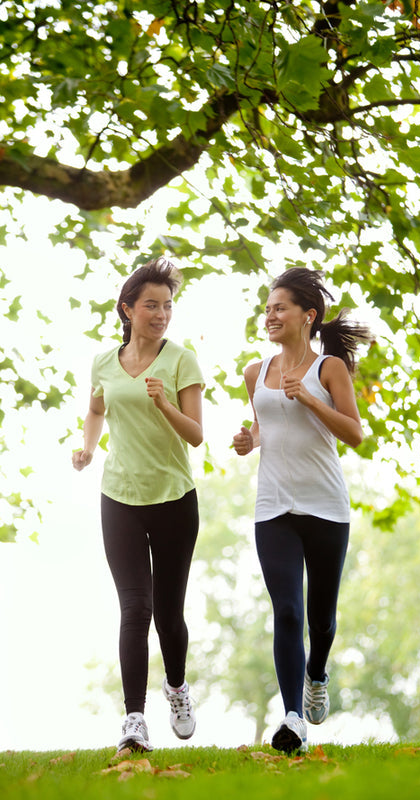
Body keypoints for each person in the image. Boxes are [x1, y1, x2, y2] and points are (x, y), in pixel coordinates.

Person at [233, 267, 371, 754]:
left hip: (325, 506)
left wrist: (310, 398)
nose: (270, 315)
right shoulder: (256, 372)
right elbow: (265, 428)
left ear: (307, 316)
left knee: (322, 619)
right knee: (287, 610)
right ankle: (293, 717)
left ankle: (317, 673)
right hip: (273, 507)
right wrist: (249, 441)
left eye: (280, 308)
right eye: (267, 308)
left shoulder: (328, 367)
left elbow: (353, 434)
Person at [72, 257, 204, 752]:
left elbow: (195, 436)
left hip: (174, 498)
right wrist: (87, 447)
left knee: (169, 614)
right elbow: (95, 406)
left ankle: (176, 687)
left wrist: (165, 403)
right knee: (135, 608)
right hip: (119, 497)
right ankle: (133, 720)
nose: (161, 313)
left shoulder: (181, 360)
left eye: (167, 305)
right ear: (128, 309)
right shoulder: (105, 361)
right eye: (151, 305)